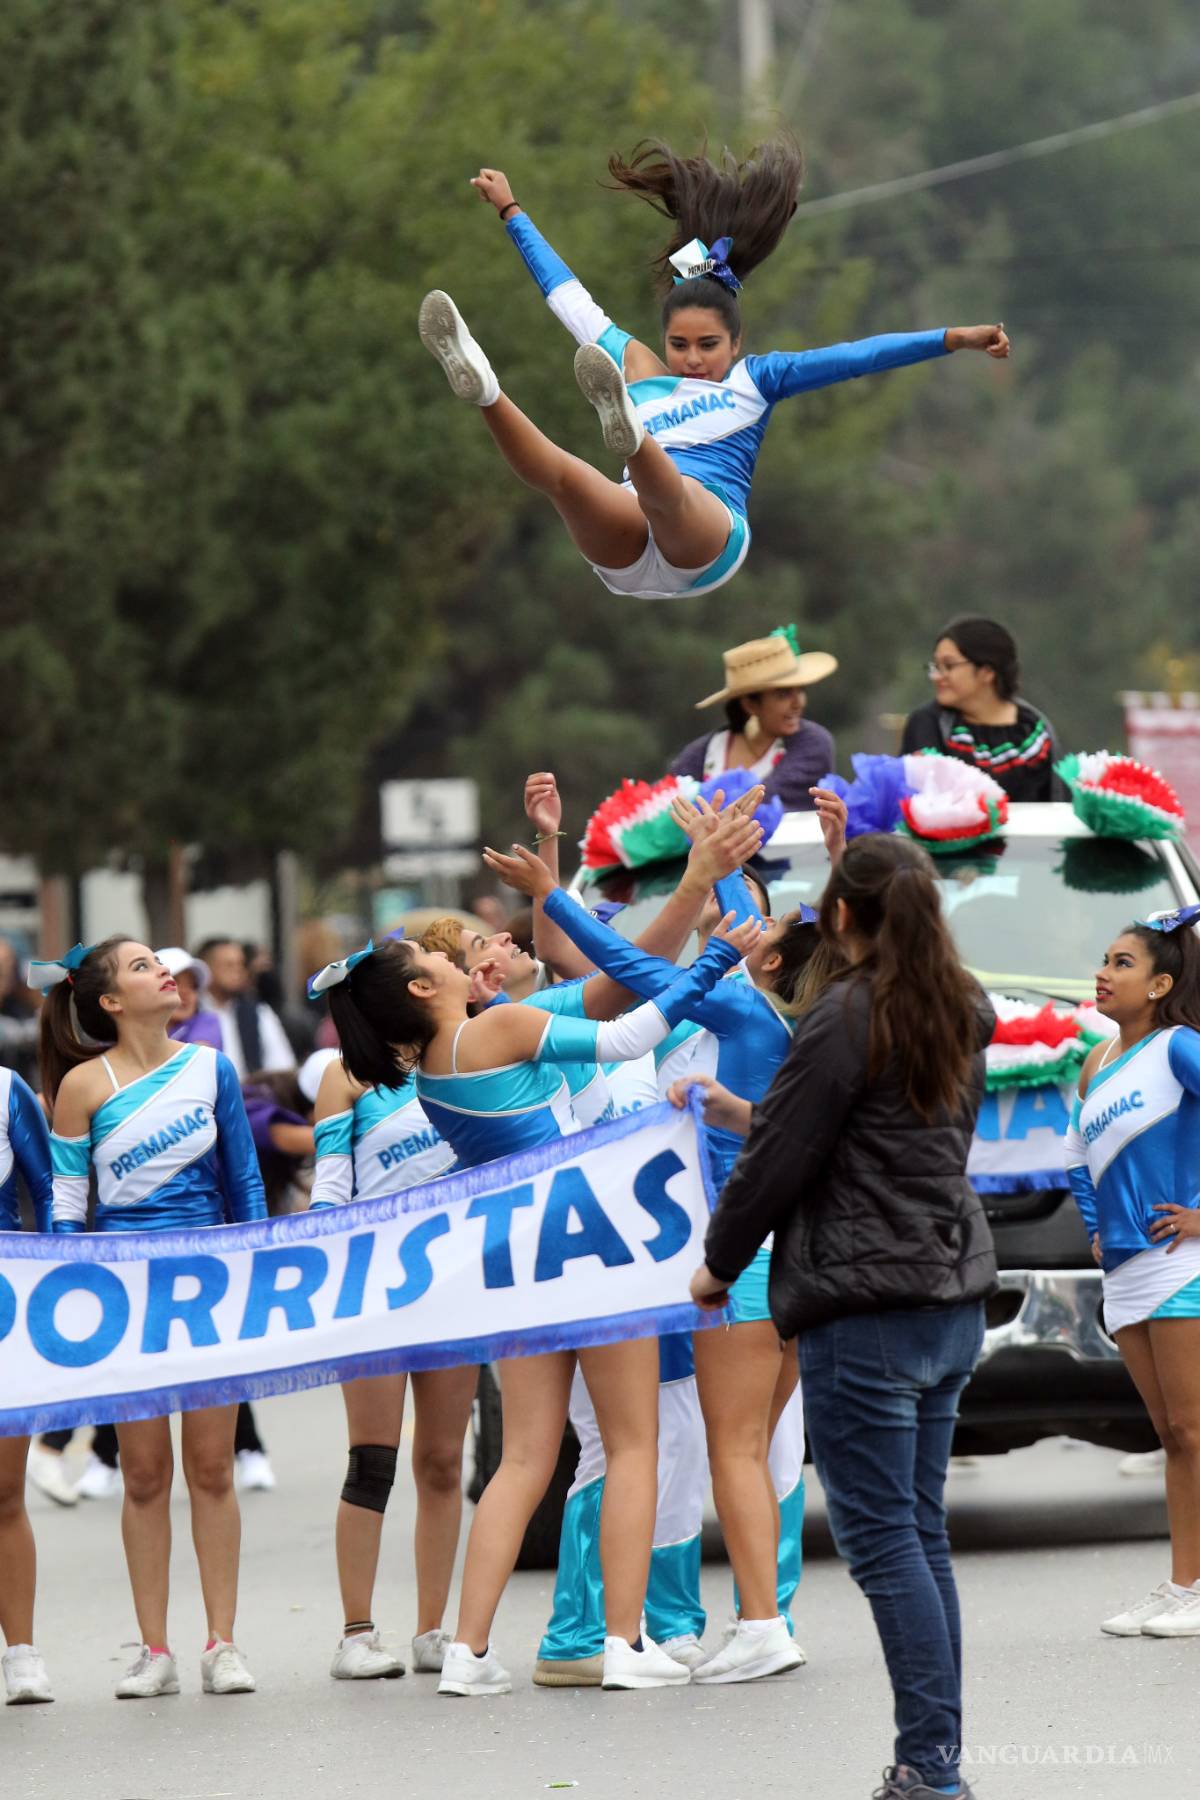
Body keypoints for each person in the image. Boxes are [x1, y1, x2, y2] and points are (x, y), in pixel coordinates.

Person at [315, 904, 760, 1697]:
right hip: (590, 1249)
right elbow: (629, 1036)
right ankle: (624, 1642)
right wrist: (714, 958)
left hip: (517, 1266)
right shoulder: (499, 1028)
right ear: (422, 987)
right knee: (632, 1445)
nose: (455, 959)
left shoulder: (433, 1071)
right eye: (435, 957)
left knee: (523, 1458)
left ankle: (468, 1651)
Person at [486, 827, 834, 1684]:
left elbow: (632, 967)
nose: (740, 917)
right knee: (742, 1447)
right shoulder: (806, 1015)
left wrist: (553, 890)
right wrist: (731, 863)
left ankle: (756, 1625)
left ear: (771, 959)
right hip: (784, 1250)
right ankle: (732, 1620)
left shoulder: (739, 1006)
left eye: (759, 920)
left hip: (728, 1255)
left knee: (731, 1449)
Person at [689, 834, 997, 1800]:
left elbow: (781, 1158)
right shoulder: (958, 1004)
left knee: (884, 1542)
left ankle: (931, 1768)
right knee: (918, 1534)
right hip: (947, 1292)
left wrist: (718, 1266)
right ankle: (934, 1759)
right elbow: (848, 1131)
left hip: (866, 1305)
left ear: (844, 917)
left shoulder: (847, 1014)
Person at [418, 145, 1008, 602]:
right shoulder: (637, 365)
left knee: (673, 495)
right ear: (665, 339)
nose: (693, 359)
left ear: (736, 342)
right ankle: (484, 388)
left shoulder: (759, 378)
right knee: (566, 480)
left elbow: (858, 356)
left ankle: (630, 436)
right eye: (679, 345)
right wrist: (511, 211)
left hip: (706, 535)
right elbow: (566, 294)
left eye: (707, 346)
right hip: (628, 541)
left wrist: (953, 338)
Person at [36, 937, 267, 1700]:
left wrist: (259, 1272)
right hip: (126, 1298)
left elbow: (245, 1182)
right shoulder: (81, 1086)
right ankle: (154, 1649)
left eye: (158, 963)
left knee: (213, 1467)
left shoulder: (211, 1069)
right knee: (142, 1475)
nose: (164, 971)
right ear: (109, 1001)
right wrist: (72, 1293)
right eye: (142, 966)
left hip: (211, 1292)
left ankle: (223, 1643)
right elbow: (66, 1206)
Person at [308, 1049, 472, 1683]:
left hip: (455, 1283)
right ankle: (356, 1634)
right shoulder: (346, 1075)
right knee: (373, 1461)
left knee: (443, 1460)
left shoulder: (463, 1058)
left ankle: (432, 1631)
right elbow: (329, 1189)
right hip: (371, 1287)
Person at [1064, 906, 1200, 1639]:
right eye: (1104, 960)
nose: (1102, 973)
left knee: (1194, 1429)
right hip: (1125, 1270)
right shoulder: (1098, 1059)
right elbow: (1074, 1155)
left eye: (1122, 963)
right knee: (1172, 1436)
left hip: (1184, 1262)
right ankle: (1184, 1584)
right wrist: (1095, 1227)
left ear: (1160, 985)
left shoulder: (1179, 1046)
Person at [0, 1062, 55, 1704]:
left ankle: (21, 1652)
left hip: (5, 1309)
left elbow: (51, 1196)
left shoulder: (6, 1089)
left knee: (3, 1490)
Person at [900, 616, 1065, 802]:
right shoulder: (928, 724)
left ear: (987, 672)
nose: (937, 676)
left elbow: (1056, 801)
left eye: (948, 666)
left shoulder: (1033, 729)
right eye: (936, 666)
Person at [670, 628, 837, 811]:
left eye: (801, 691)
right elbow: (667, 802)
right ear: (751, 705)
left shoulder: (812, 743)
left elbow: (762, 802)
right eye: (783, 694)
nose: (798, 703)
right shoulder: (704, 752)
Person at [196, 936, 296, 1076]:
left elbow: (282, 1066)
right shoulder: (191, 1011)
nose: (238, 971)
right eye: (229, 965)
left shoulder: (257, 1012)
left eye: (241, 964)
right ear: (206, 969)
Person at [159, 946, 223, 1050]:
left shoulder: (206, 1022)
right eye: (174, 982)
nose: (186, 992)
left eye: (193, 985)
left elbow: (198, 1055)